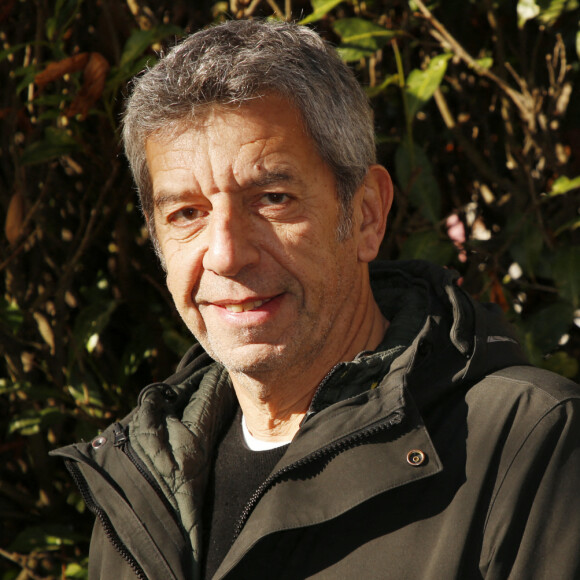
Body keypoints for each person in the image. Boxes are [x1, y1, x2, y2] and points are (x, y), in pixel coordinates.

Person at [52, 19, 580, 580]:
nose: (226, 255)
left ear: (367, 215)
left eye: (273, 199)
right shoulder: (139, 487)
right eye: (186, 213)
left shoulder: (529, 446)